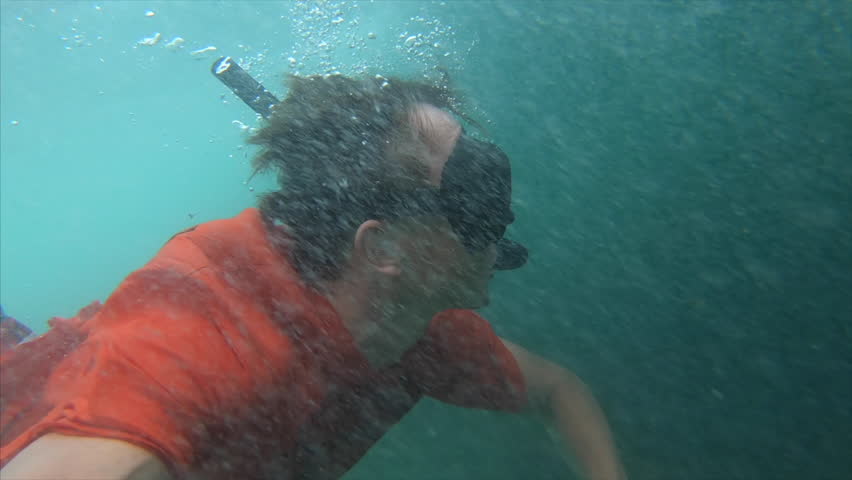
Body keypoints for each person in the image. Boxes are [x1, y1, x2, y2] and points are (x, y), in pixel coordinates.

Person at [0, 74, 627, 480]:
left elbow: (558, 391)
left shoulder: (416, 327)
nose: (503, 218)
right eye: (475, 196)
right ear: (381, 246)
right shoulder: (206, 327)